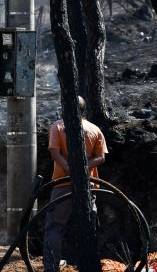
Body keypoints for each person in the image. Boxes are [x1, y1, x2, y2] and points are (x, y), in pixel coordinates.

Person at [43, 96, 108, 272]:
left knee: (55, 227)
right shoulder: (95, 129)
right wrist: (82, 169)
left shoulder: (58, 126)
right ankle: (88, 266)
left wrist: (69, 169)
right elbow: (101, 158)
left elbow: (54, 152)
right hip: (88, 186)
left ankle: (51, 268)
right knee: (88, 227)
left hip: (62, 185)